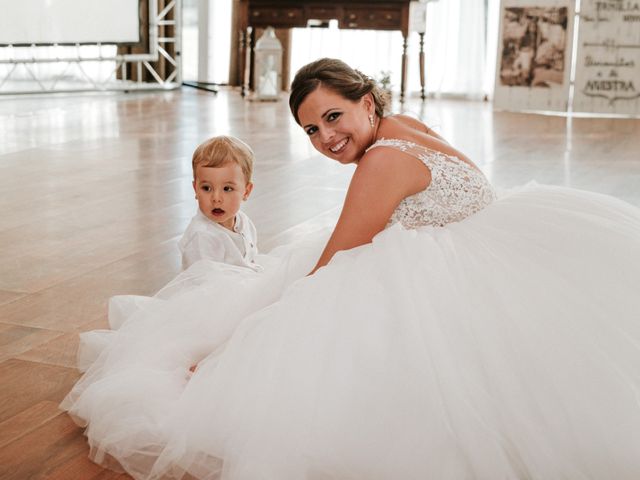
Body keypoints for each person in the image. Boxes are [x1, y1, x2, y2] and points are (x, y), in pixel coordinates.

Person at [62, 58, 640, 480]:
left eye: (333, 116)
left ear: (367, 100)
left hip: (448, 260)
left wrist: (237, 346)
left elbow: (333, 263)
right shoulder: (405, 125)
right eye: (311, 130)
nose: (326, 138)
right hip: (484, 238)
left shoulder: (382, 163)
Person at [179, 135, 260, 271]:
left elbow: (249, 258)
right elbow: (206, 283)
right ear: (195, 189)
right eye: (207, 188)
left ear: (246, 191)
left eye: (227, 189)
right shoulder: (201, 237)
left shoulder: (243, 222)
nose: (216, 198)